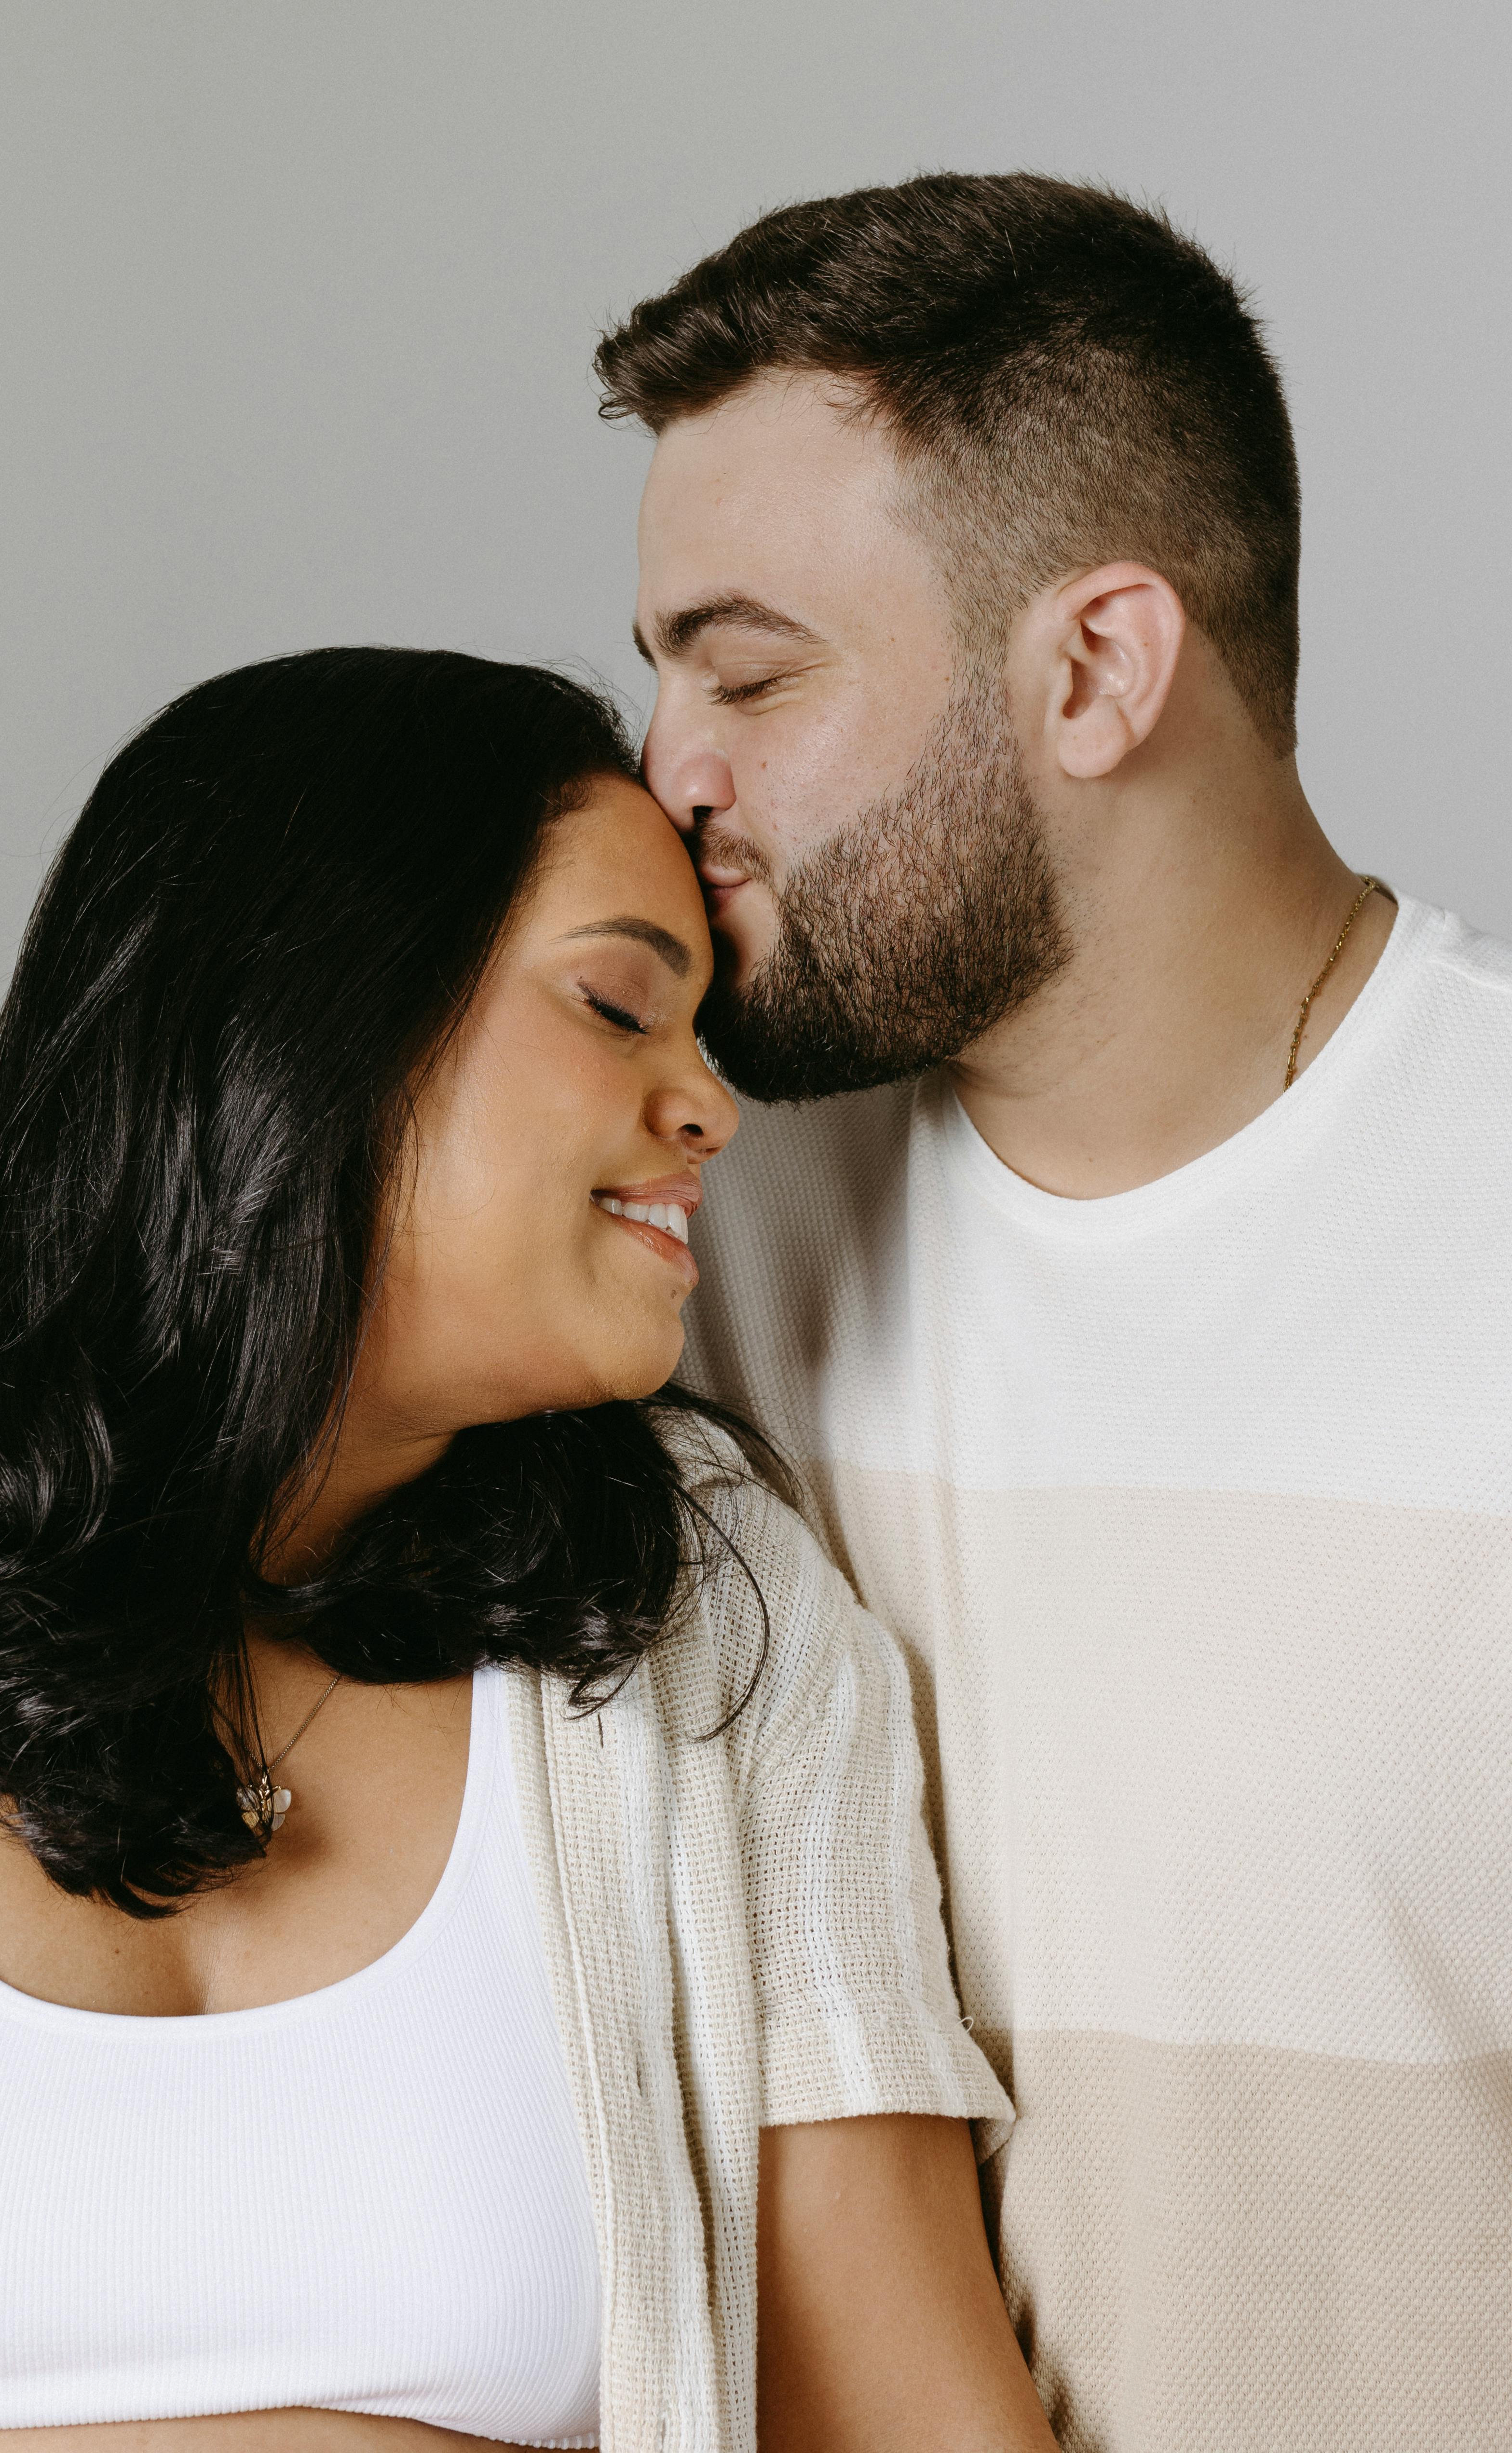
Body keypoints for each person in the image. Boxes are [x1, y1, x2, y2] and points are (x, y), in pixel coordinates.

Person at [0, 649, 1059, 2453]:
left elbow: (917, 2421)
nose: (711, 1110)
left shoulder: (707, 1634)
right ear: (318, 1008)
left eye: (703, 1038)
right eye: (617, 1007)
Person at [599, 173, 1512, 2452]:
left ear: (1093, 668)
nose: (664, 776)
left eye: (749, 670)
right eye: (656, 676)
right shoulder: (677, 1235)